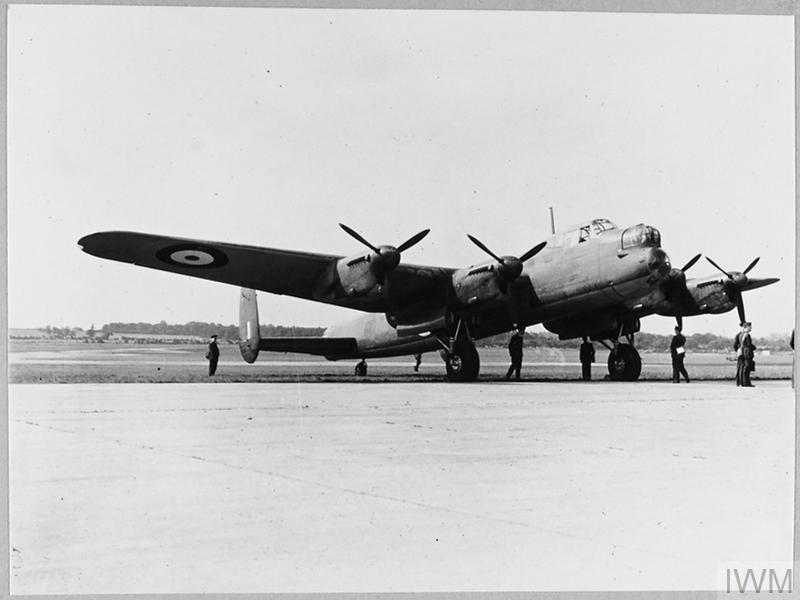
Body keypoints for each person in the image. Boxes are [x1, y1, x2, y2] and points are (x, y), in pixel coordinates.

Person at [734, 322, 755, 387]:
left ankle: (740, 382)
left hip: (741, 353)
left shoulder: (740, 335)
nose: (751, 328)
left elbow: (735, 345)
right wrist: (754, 347)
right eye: (750, 327)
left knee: (741, 368)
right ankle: (746, 383)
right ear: (746, 327)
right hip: (747, 353)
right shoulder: (747, 335)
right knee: (746, 368)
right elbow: (749, 344)